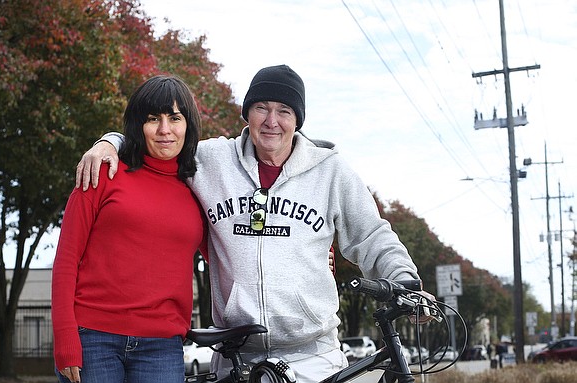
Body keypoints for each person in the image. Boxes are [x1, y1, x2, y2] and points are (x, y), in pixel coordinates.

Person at [76, 64, 435, 382]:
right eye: (261, 108)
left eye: (284, 111)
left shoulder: (330, 171)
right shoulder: (210, 160)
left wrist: (406, 281)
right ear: (247, 113)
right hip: (237, 357)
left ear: (298, 120)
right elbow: (159, 140)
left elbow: (372, 236)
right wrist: (111, 142)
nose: (271, 120)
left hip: (313, 356)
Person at [52, 75, 207, 383]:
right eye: (153, 119)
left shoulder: (200, 188)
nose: (165, 130)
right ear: (138, 125)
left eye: (174, 118)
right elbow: (66, 260)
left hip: (162, 348)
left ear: (188, 125)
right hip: (94, 339)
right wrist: (65, 338)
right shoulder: (102, 173)